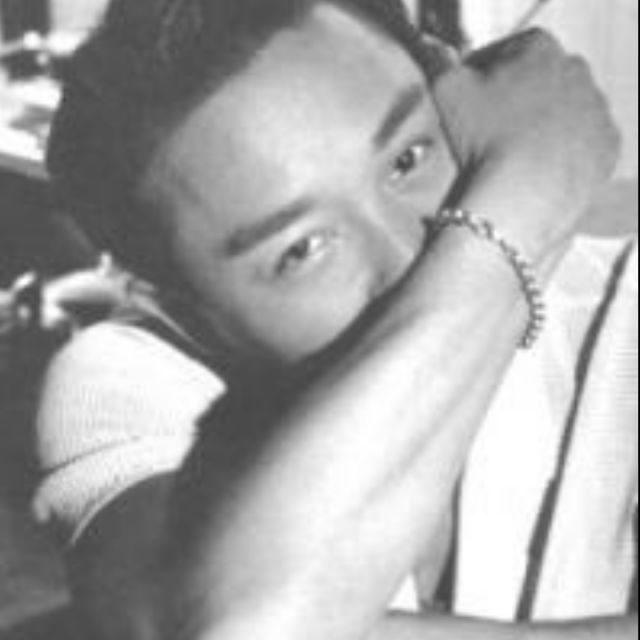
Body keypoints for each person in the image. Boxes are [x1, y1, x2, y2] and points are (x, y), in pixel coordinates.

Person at [31, 0, 636, 639]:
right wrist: (524, 195)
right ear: (189, 317)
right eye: (302, 249)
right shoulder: (126, 377)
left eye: (408, 160)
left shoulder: (622, 313)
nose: (411, 258)